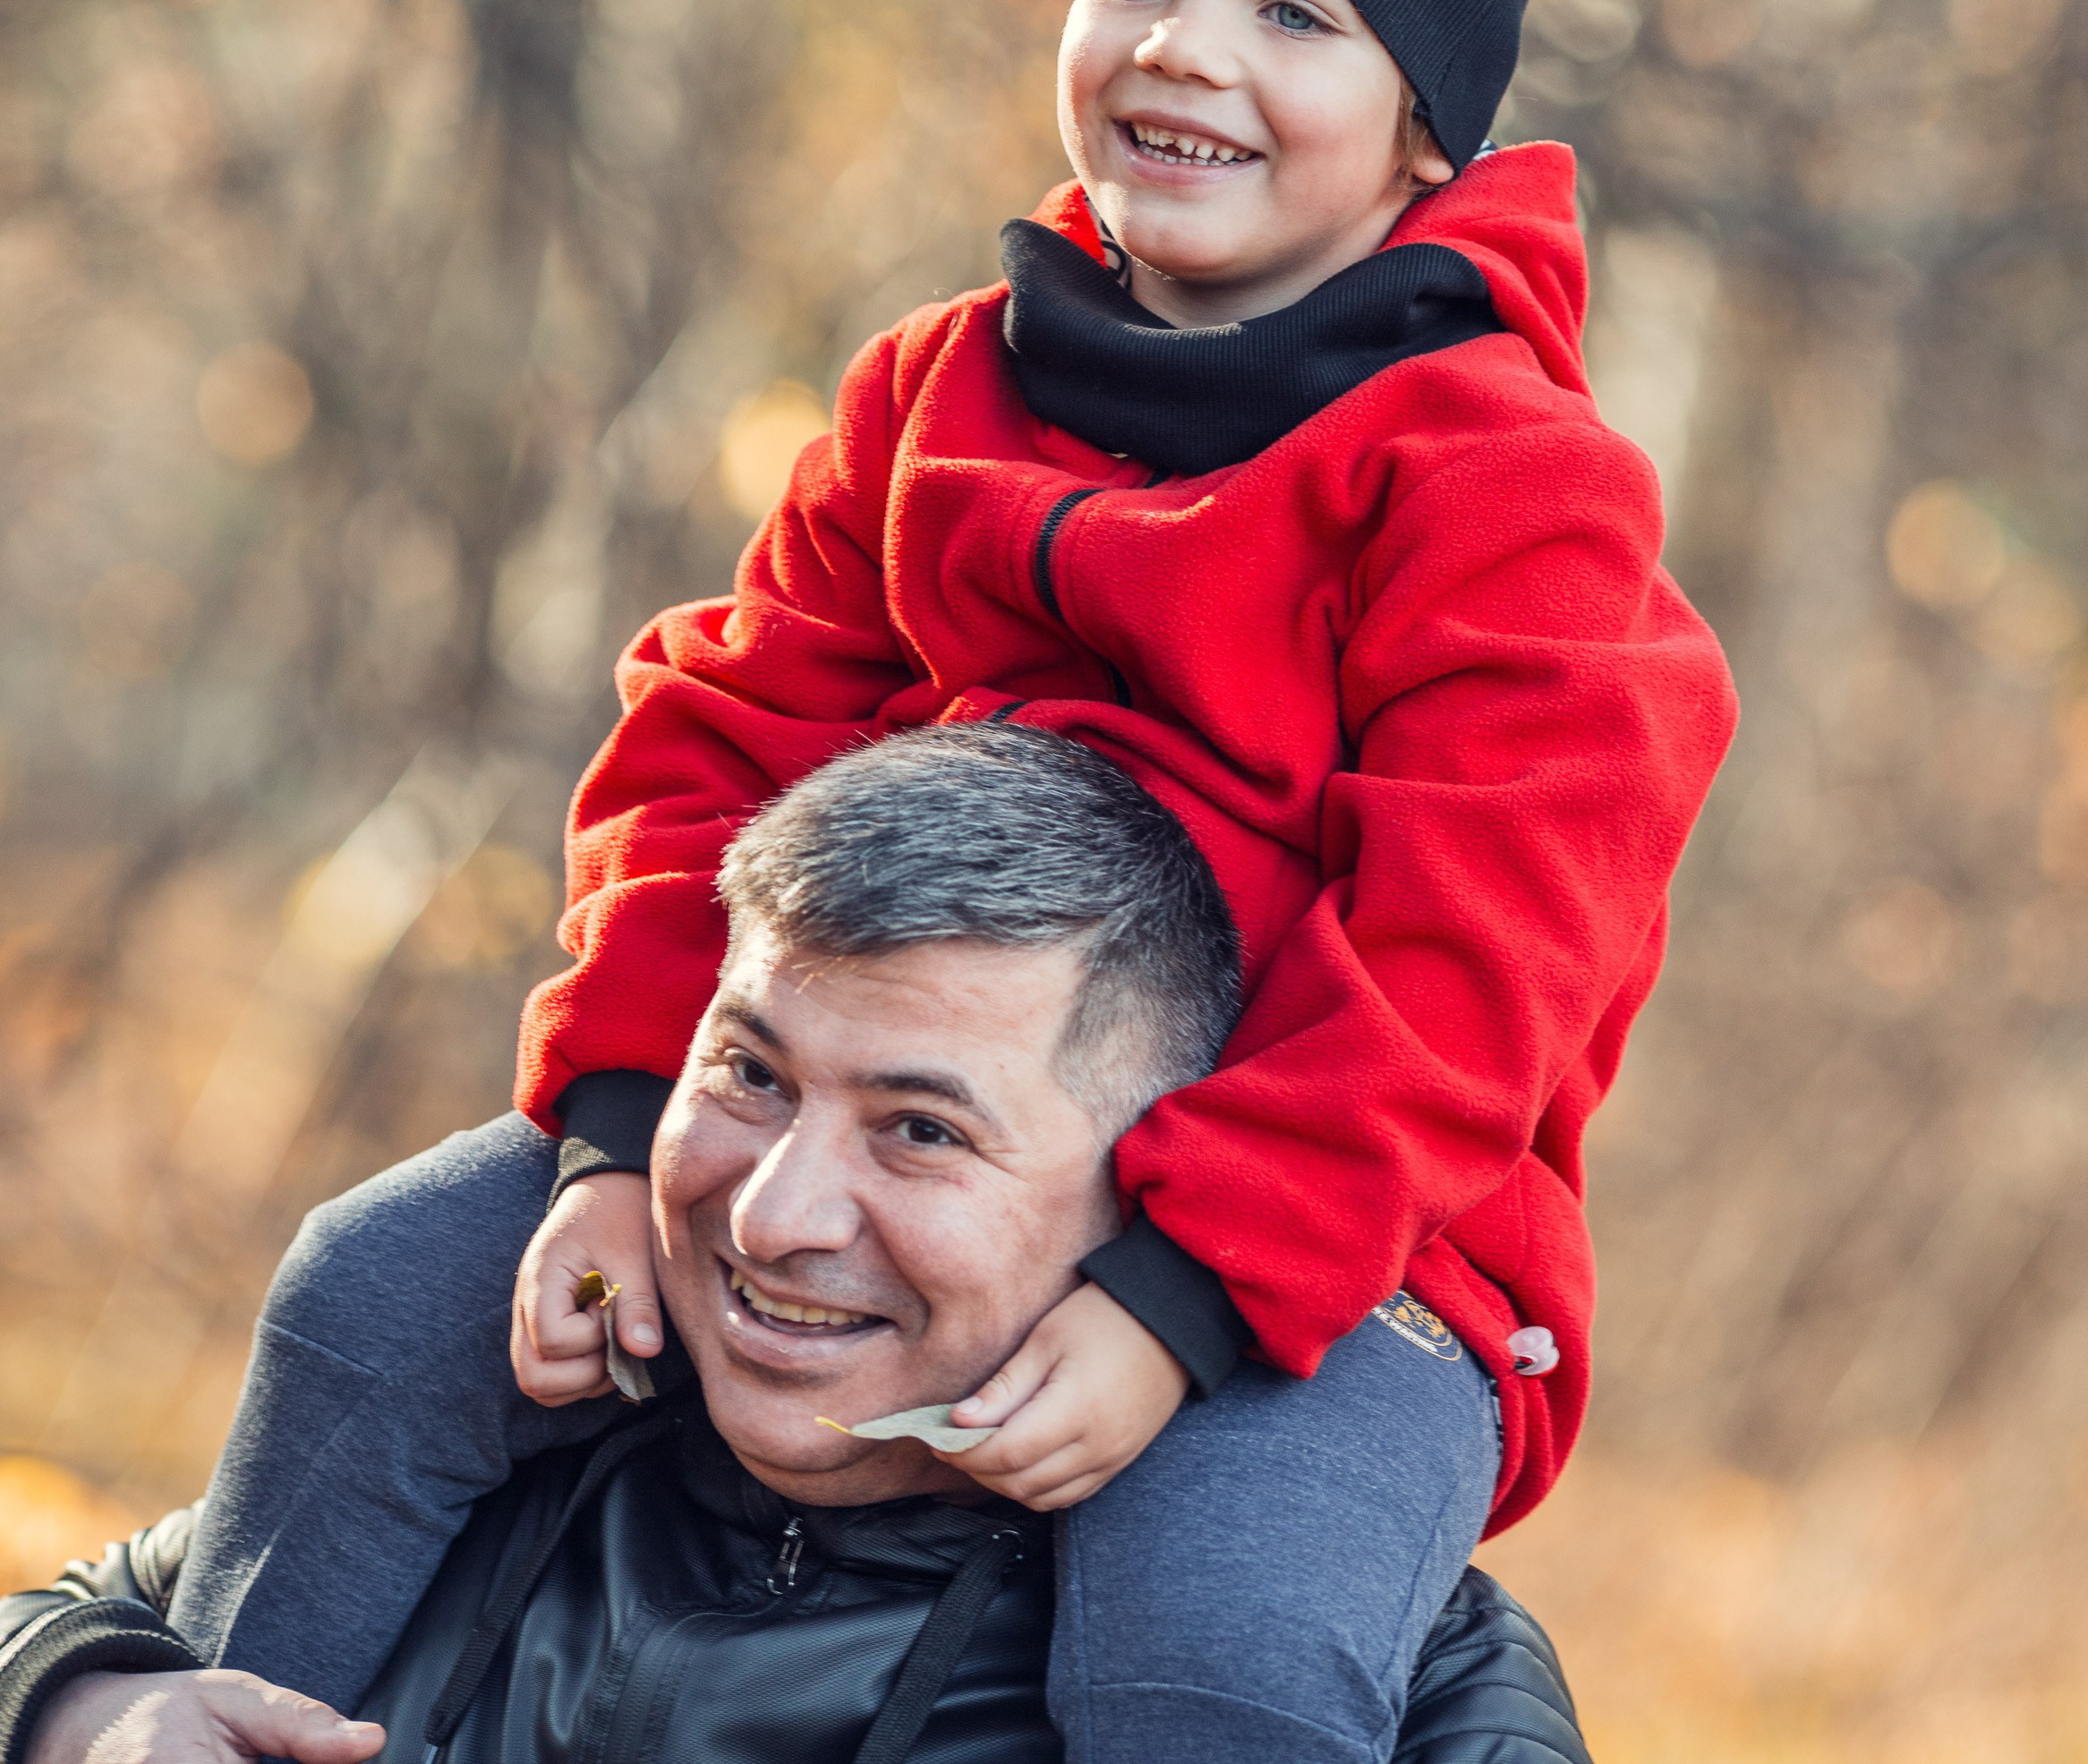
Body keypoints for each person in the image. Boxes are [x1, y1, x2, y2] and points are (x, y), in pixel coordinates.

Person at [161, 0, 1739, 1760]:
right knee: (378, 1293)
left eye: (1301, 14)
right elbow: (716, 740)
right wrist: (620, 1122)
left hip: (1347, 1256)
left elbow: (1488, 954)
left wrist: (1189, 1305)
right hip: (866, 1140)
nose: (1188, 48)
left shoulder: (1500, 484)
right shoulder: (944, 385)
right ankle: (218, 1724)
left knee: (1214, 1642)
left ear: (1429, 128)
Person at [2, 732, 1589, 1764]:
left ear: (1159, 1189)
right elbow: (68, 1620)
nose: (769, 1218)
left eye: (920, 1131)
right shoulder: (476, 1453)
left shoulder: (1361, 1682)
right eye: (748, 1076)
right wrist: (91, 1710)